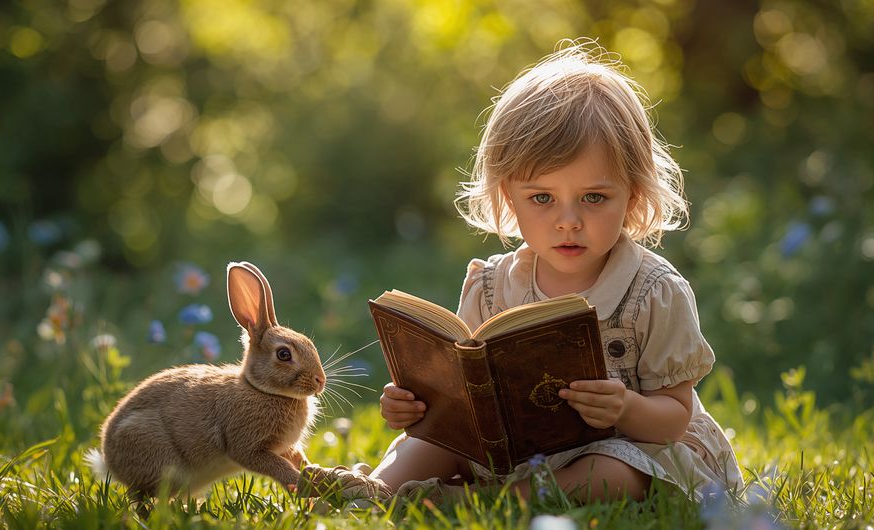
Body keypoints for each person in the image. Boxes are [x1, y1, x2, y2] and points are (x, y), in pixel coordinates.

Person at [305, 41, 742, 503]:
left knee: (611, 472)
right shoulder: (490, 287)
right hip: (513, 450)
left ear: (632, 196)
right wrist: (416, 407)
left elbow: (674, 416)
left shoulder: (655, 291)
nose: (568, 220)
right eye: (542, 198)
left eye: (594, 198)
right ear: (508, 196)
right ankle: (376, 489)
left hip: (627, 447)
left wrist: (626, 407)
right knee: (428, 443)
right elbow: (466, 397)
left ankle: (489, 502)